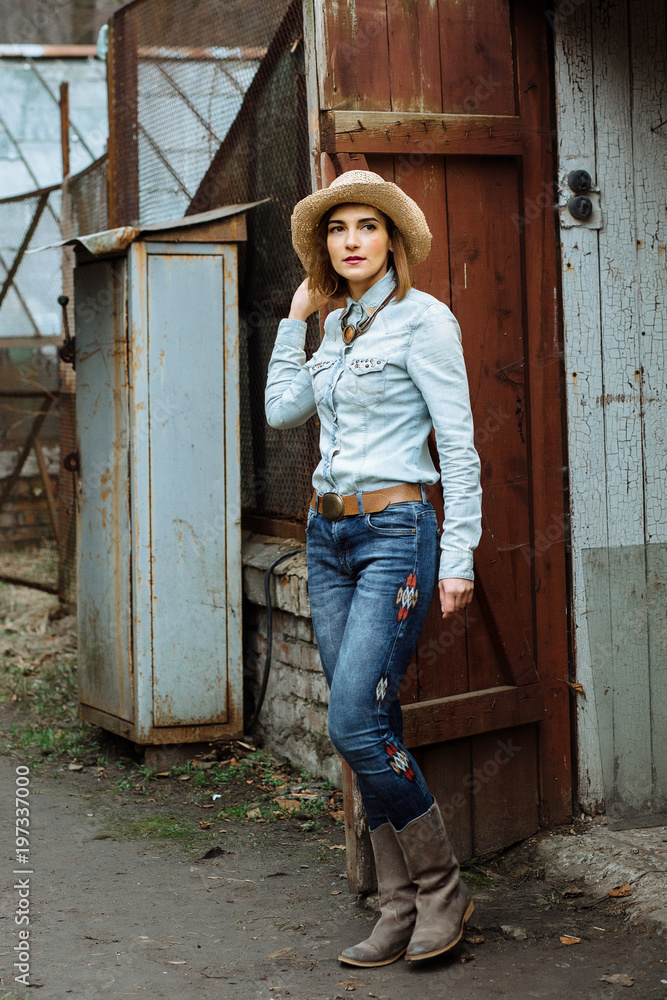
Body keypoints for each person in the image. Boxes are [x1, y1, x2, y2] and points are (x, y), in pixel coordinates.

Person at [264, 170, 482, 966]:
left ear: (390, 239)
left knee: (352, 719)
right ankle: (396, 910)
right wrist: (295, 322)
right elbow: (281, 411)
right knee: (372, 725)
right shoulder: (335, 327)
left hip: (396, 530)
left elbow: (456, 448)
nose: (350, 240)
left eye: (365, 226)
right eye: (336, 229)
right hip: (328, 541)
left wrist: (456, 556)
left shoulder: (424, 322)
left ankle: (440, 891)